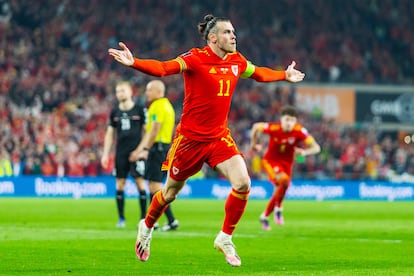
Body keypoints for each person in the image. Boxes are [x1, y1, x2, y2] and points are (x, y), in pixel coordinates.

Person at [108, 14, 305, 267]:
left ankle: (225, 237)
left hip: (219, 137)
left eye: (233, 32)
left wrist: (283, 75)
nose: (233, 36)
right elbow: (164, 68)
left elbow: (258, 74)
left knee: (243, 183)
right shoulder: (195, 59)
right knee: (169, 193)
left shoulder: (236, 61)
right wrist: (134, 62)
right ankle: (146, 227)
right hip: (189, 140)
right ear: (213, 38)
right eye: (227, 33)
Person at [250, 105, 321, 230]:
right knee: (283, 182)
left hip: (287, 164)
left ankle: (269, 214)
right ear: (281, 120)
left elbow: (316, 148)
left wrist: (304, 152)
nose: (289, 123)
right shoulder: (274, 128)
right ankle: (273, 211)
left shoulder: (299, 131)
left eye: (292, 120)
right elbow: (256, 127)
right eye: (287, 119)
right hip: (270, 162)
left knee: (284, 186)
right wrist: (253, 144)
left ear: (295, 122)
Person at [129, 80, 179, 231]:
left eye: (149, 90)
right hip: (164, 148)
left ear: (158, 91)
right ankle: (165, 220)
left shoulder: (157, 107)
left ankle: (164, 220)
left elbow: (154, 130)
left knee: (155, 186)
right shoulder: (167, 106)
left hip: (157, 149)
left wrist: (144, 149)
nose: (146, 93)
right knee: (154, 186)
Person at [101, 81, 148, 228]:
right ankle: (121, 219)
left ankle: (143, 219)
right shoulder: (115, 111)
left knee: (140, 183)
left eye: (122, 91)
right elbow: (110, 134)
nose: (120, 94)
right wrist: (105, 154)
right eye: (117, 91)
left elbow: (147, 131)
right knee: (120, 184)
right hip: (120, 153)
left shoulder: (140, 109)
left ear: (130, 92)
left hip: (136, 152)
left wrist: (142, 150)